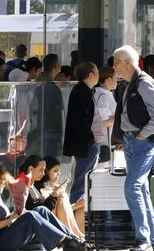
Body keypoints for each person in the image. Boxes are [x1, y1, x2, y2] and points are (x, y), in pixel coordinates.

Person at [112, 45, 154, 251]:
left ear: (128, 63)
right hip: (132, 141)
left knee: (132, 186)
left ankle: (142, 239)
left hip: (143, 143)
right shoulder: (129, 83)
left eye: (116, 61)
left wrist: (143, 134)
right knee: (140, 188)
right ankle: (153, 241)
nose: (114, 66)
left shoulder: (143, 83)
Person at [0, 162, 84, 251]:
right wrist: (11, 219)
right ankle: (65, 241)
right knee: (31, 216)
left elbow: (1, 220)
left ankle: (71, 238)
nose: (4, 184)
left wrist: (15, 215)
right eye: (2, 181)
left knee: (41, 210)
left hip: (4, 235)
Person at [63, 61, 100, 235]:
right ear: (90, 74)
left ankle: (77, 225)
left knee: (82, 182)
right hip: (85, 145)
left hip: (85, 144)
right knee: (81, 183)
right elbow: (81, 121)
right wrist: (91, 139)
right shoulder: (81, 92)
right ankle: (74, 226)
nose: (99, 76)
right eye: (97, 73)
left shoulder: (83, 91)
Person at [34, 155, 85, 240]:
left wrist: (77, 205)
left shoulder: (55, 187)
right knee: (63, 197)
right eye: (55, 171)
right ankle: (73, 234)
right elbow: (50, 210)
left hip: (58, 218)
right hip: (50, 222)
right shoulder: (42, 189)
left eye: (59, 171)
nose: (59, 174)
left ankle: (77, 233)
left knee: (81, 205)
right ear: (47, 171)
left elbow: (61, 211)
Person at [30, 54, 64, 157]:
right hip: (50, 132)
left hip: (38, 131)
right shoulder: (51, 87)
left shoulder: (38, 83)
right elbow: (55, 111)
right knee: (50, 162)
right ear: (56, 66)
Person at [93, 66, 118, 166]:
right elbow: (104, 122)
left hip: (105, 143)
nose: (117, 82)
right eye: (116, 78)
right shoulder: (103, 96)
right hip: (103, 143)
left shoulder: (102, 94)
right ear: (108, 79)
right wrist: (121, 117)